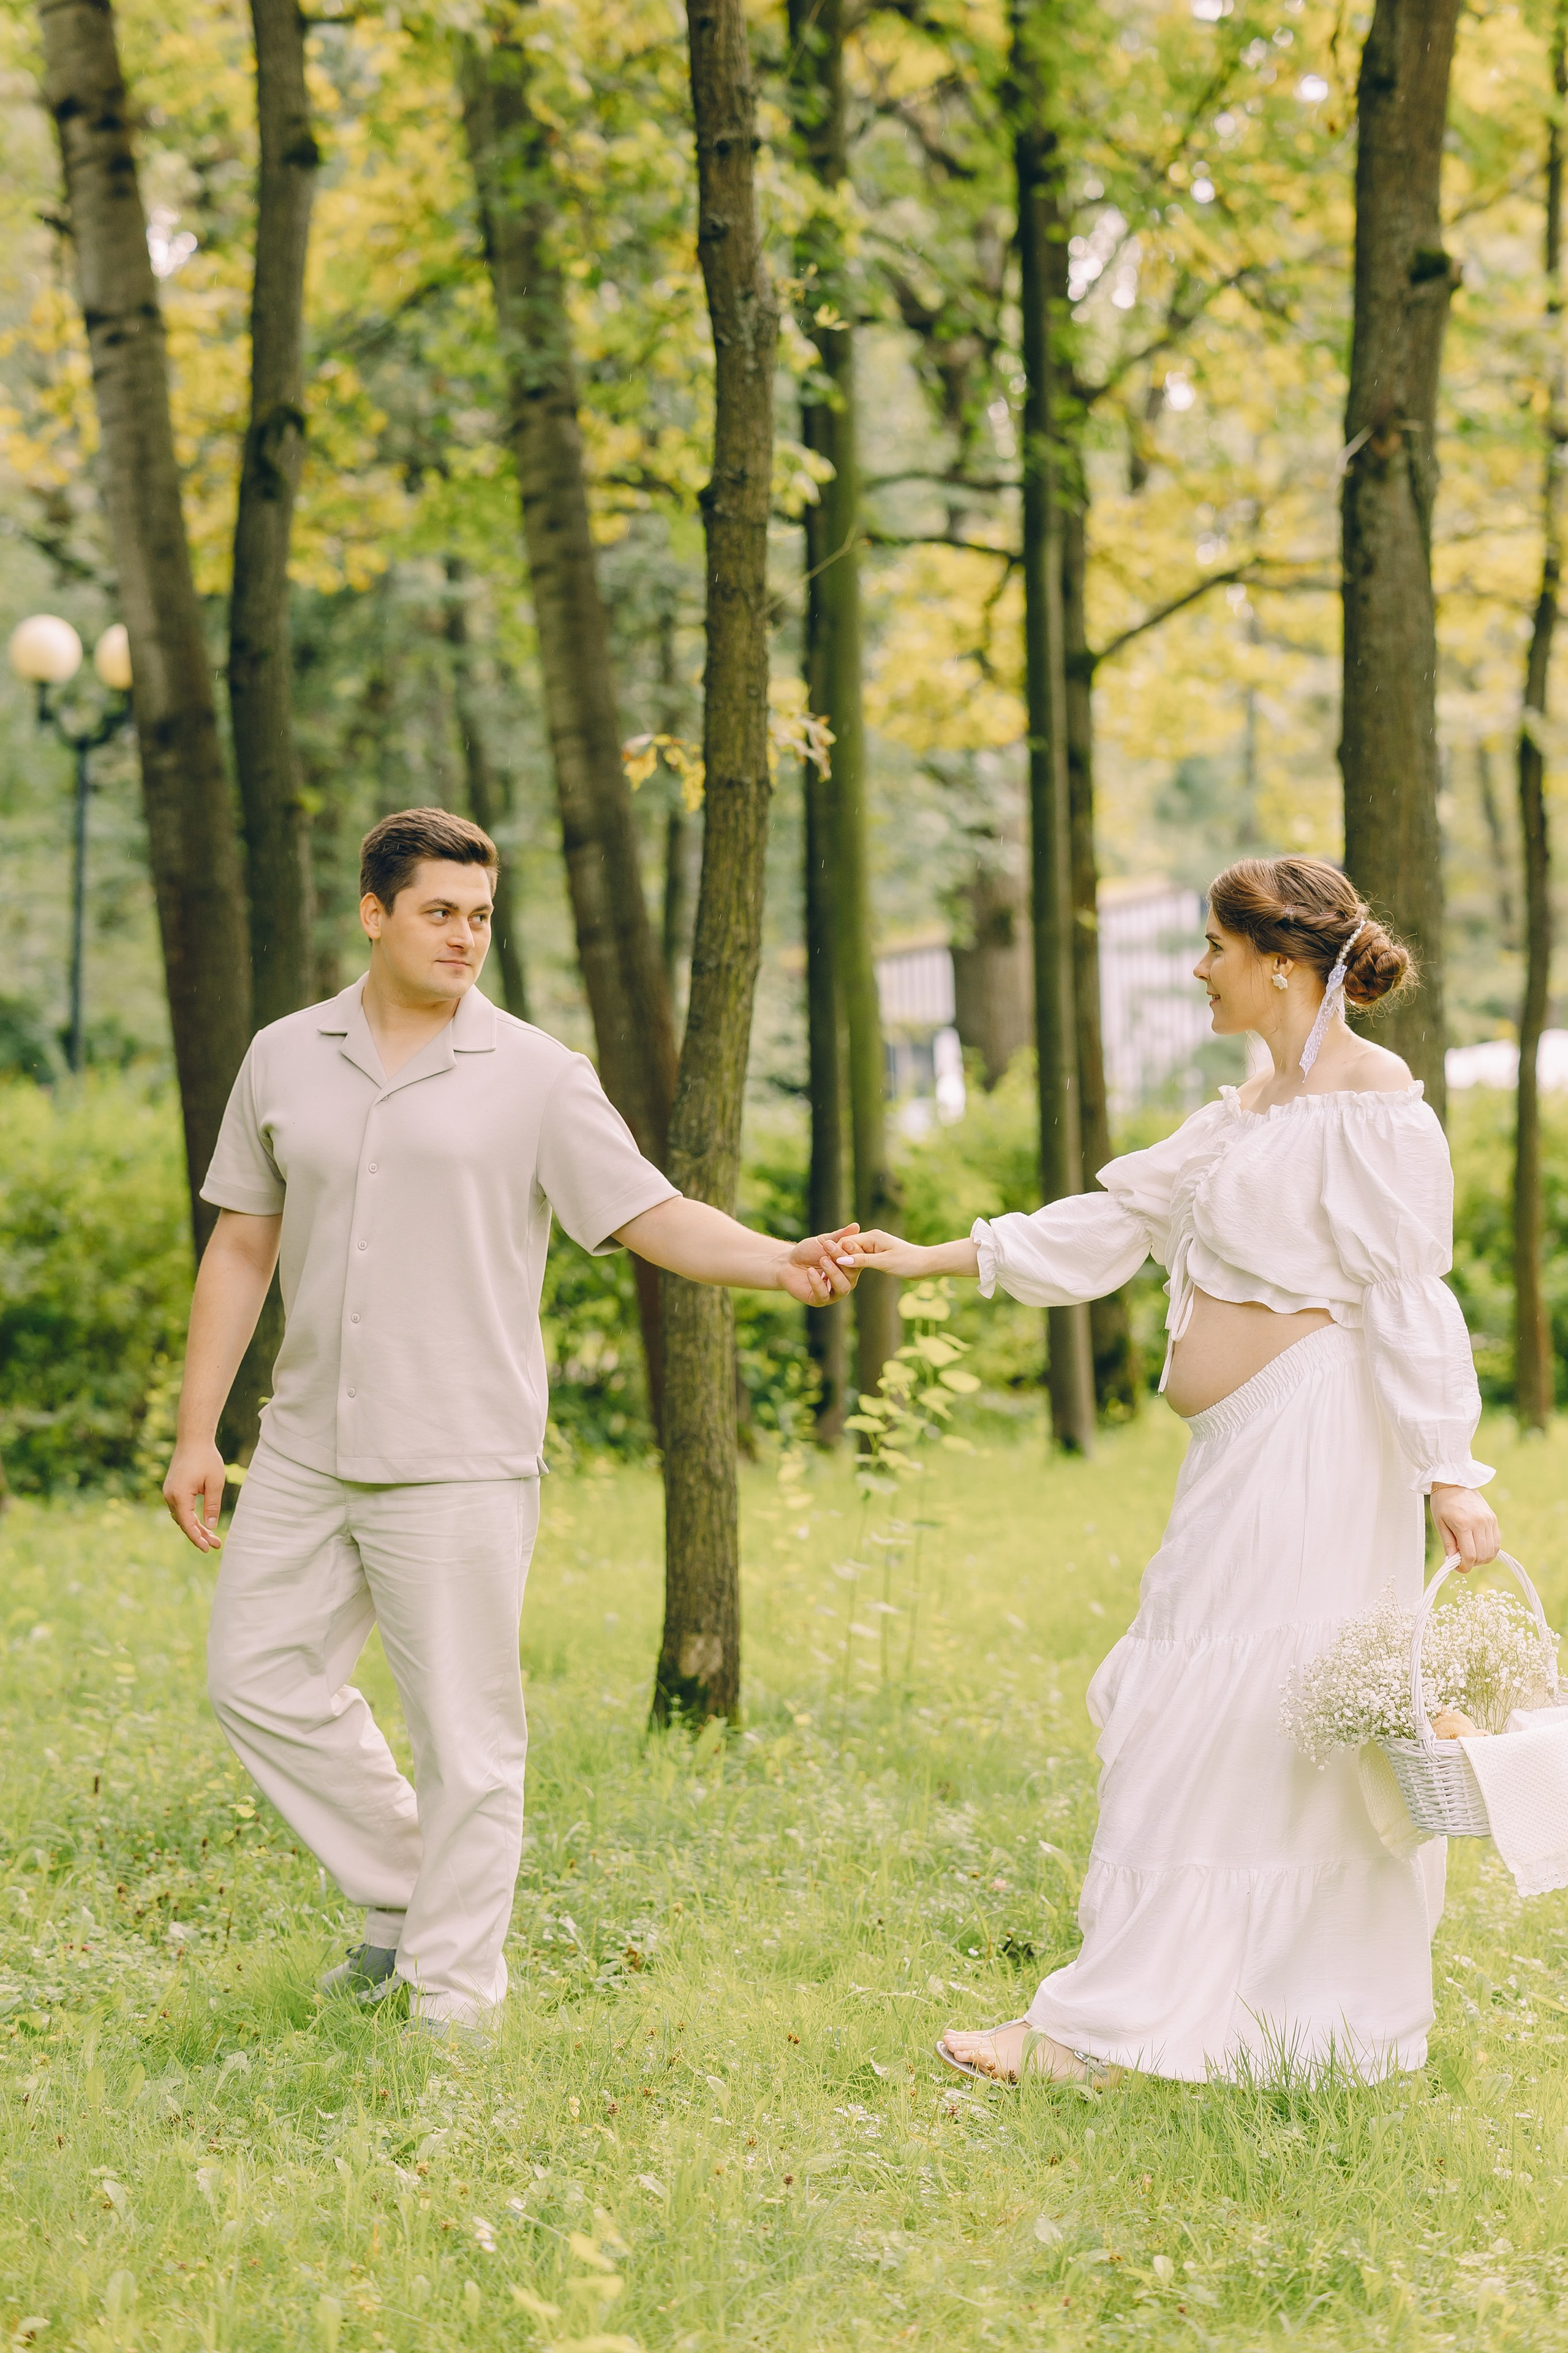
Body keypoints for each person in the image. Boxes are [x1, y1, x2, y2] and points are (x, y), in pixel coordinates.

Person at [162, 807, 858, 2035]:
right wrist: (196, 1432)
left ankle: (452, 2004)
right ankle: (402, 1895)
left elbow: (647, 1213)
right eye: (439, 912)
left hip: (462, 1451)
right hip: (309, 1439)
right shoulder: (282, 1055)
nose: (464, 937)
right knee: (255, 1676)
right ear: (373, 913)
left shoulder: (538, 1075)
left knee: (467, 1740)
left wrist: (772, 1261)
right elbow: (243, 1242)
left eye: (480, 916)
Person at [843, 855, 1499, 2085]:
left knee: (1258, 1703)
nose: (1196, 967)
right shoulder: (1237, 1112)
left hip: (1319, 1441)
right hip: (1237, 1448)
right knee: (1202, 1699)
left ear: (1280, 963)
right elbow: (1106, 1226)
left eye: (1211, 945)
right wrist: (918, 1259)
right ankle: (1182, 2009)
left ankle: (1128, 2025)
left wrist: (1447, 1471)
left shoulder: (1373, 1103)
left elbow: (1408, 1296)